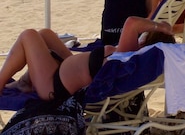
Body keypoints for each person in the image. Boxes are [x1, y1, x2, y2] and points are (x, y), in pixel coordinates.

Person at [0, 16, 173, 103]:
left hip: (55, 87)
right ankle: (24, 83)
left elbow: (131, 23)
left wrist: (160, 26)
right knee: (46, 35)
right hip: (63, 75)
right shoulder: (131, 57)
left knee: (28, 35)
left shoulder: (129, 54)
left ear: (146, 40)